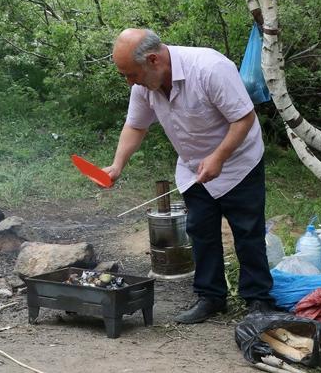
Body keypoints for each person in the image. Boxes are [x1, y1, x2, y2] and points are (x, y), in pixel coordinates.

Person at [104, 28, 275, 323]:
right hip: (194, 166)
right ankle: (211, 297)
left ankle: (258, 300)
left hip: (238, 162)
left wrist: (219, 157)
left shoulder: (210, 68)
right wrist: (117, 165)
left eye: (132, 74)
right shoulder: (144, 86)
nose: (130, 82)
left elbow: (244, 117)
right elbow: (136, 126)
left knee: (248, 232)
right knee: (200, 231)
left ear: (154, 60)